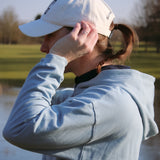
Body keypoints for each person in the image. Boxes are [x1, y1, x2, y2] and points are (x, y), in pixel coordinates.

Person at [3, 0, 159, 160]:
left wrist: (57, 57)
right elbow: (26, 109)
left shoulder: (107, 103)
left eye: (49, 36)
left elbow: (20, 127)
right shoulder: (81, 96)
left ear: (82, 34)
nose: (43, 47)